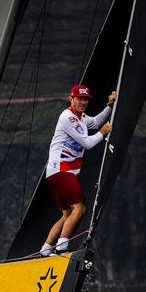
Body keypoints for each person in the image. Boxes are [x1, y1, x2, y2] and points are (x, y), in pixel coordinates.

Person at [40, 85, 116, 256]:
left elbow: (95, 122)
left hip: (55, 172)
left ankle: (45, 249)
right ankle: (61, 247)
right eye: (79, 99)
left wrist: (110, 106)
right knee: (80, 209)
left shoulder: (80, 117)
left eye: (86, 99)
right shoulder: (68, 117)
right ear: (71, 99)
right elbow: (87, 143)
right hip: (62, 170)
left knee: (67, 213)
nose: (83, 102)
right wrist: (103, 133)